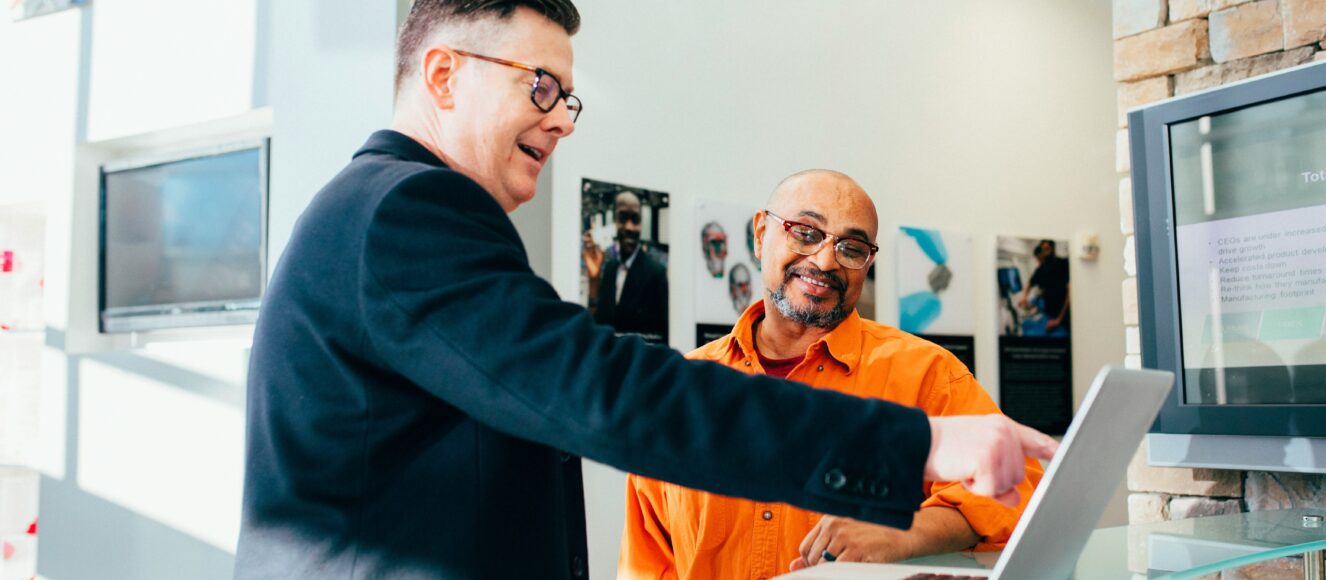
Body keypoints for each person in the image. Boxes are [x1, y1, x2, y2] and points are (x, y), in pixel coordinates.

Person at [234, 2, 1057, 578]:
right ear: (443, 76)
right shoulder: (407, 209)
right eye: (541, 86)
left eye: (569, 97)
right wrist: (912, 446)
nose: (560, 119)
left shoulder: (381, 211)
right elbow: (601, 393)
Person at [619, 171, 1045, 579]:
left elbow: (1020, 494)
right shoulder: (681, 392)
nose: (825, 261)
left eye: (852, 247)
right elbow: (647, 563)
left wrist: (906, 531)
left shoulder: (926, 374)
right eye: (805, 232)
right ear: (761, 234)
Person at [590, 191, 669, 343]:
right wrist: (593, 280)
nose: (629, 227)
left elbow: (662, 337)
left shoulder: (656, 273)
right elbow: (599, 323)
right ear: (614, 221)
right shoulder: (609, 268)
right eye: (623, 218)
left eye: (635, 219)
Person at [1018, 239, 1071, 335]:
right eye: (1043, 249)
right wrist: (1024, 297)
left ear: (1053, 249)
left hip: (1064, 315)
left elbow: (1070, 293)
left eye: (1047, 249)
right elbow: (1030, 283)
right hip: (1049, 314)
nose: (1045, 253)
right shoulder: (1041, 269)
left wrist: (1059, 320)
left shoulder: (1063, 264)